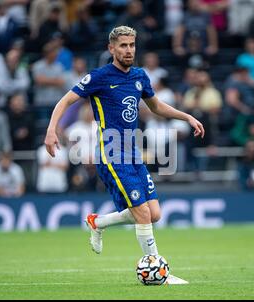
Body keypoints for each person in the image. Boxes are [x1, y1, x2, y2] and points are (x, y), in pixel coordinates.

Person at [44, 26, 205, 284]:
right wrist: (52, 130)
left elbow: (156, 106)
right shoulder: (99, 77)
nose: (128, 50)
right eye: (123, 46)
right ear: (112, 49)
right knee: (141, 213)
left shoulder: (140, 76)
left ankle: (98, 222)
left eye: (131, 45)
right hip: (111, 153)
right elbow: (65, 101)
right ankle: (159, 272)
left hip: (132, 151)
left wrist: (186, 116)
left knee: (153, 213)